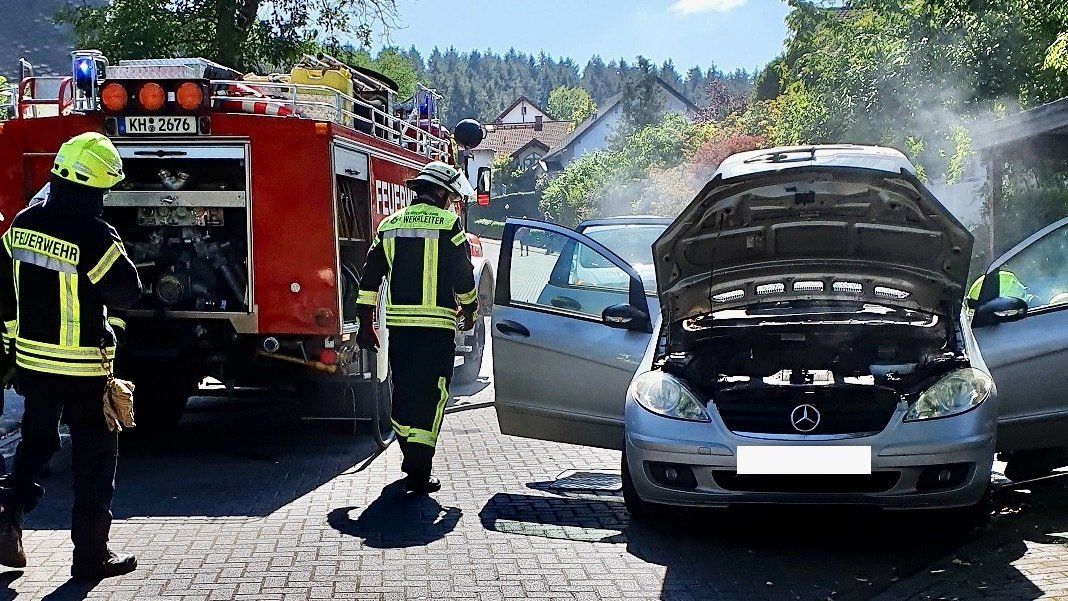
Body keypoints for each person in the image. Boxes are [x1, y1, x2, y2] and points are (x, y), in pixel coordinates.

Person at [0, 132, 142, 579]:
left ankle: (7, 518)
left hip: (32, 364)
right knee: (95, 459)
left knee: (37, 443)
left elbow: (3, 289)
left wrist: (11, 346)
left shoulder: (23, 222)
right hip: (83, 369)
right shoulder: (93, 233)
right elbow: (127, 292)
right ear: (96, 185)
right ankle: (90, 556)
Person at [355, 161, 478, 495]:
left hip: (400, 330)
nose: (451, 203)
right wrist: (470, 309)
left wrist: (365, 322)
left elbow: (369, 277)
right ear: (439, 193)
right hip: (436, 330)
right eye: (450, 197)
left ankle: (411, 459)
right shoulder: (449, 224)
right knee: (433, 394)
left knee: (405, 392)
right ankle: (419, 471)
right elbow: (463, 275)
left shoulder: (390, 225)